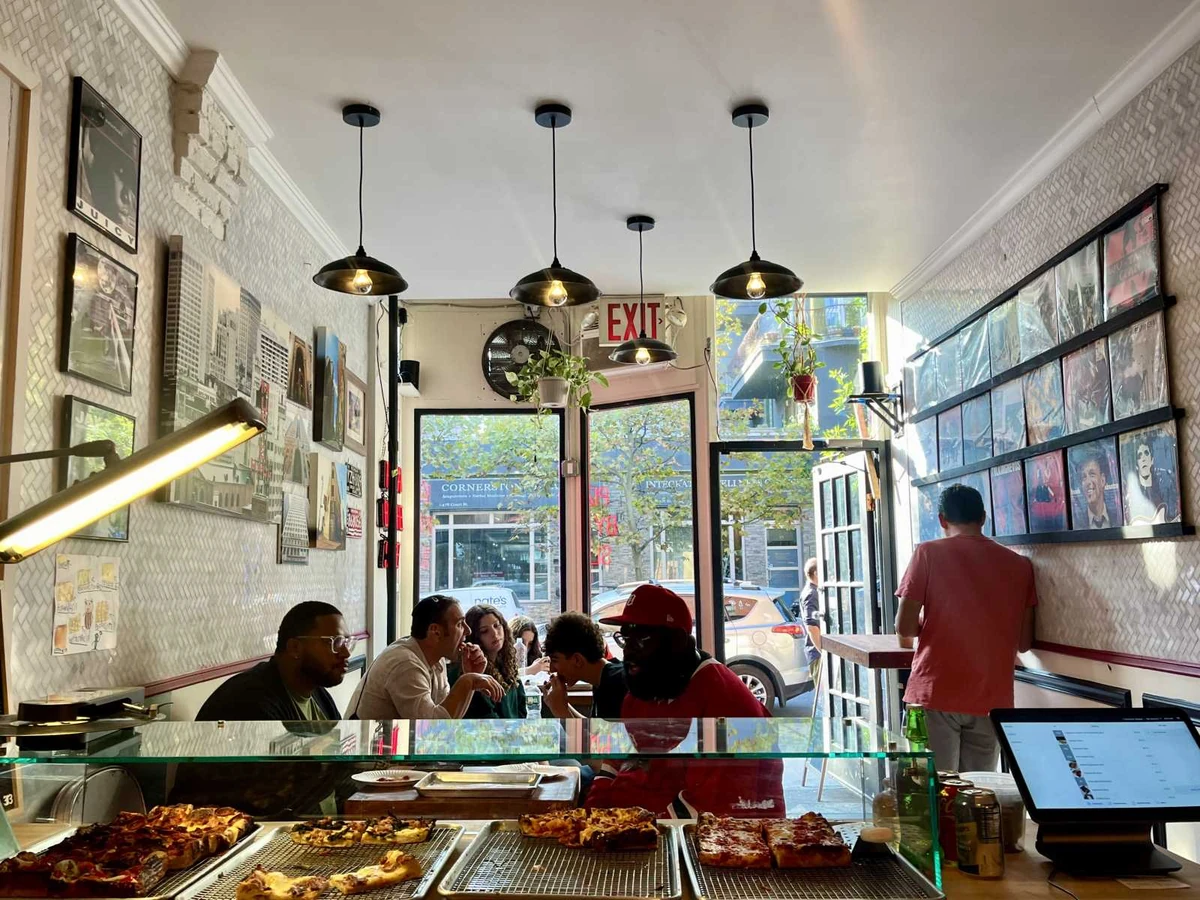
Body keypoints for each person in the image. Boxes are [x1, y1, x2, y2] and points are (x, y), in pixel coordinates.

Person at [585, 584, 784, 818]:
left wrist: (631, 830)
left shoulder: (724, 700)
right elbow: (616, 761)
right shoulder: (649, 684)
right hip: (651, 818)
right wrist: (593, 814)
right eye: (626, 638)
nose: (628, 651)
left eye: (642, 639)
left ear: (677, 642)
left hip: (729, 831)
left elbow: (710, 809)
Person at [895, 484, 1037, 772]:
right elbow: (1024, 642)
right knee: (977, 790)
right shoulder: (1020, 565)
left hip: (935, 690)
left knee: (931, 789)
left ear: (942, 519)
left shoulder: (927, 553)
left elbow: (905, 627)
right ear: (983, 517)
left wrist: (936, 622)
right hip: (991, 697)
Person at [347, 595, 503, 719]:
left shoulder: (436, 659)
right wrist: (467, 681)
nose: (468, 631)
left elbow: (447, 718)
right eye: (460, 624)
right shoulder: (405, 663)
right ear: (435, 631)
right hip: (365, 748)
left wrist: (470, 676)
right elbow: (432, 727)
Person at [197, 601, 350, 721]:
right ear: (295, 648)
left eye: (346, 642)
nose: (346, 653)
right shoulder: (250, 702)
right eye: (335, 642)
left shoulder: (316, 692)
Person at [540, 612, 627, 718]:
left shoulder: (618, 684)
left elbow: (611, 729)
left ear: (577, 660)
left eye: (555, 660)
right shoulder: (603, 677)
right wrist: (561, 704)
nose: (551, 669)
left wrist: (560, 711)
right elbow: (593, 726)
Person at [447, 605, 527, 719]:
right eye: (484, 631)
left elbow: (521, 709)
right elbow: (485, 717)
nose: (494, 634)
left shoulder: (507, 663)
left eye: (496, 626)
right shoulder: (467, 670)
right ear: (474, 637)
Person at [791, 558, 822, 685]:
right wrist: (823, 651)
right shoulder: (811, 594)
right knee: (823, 690)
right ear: (816, 573)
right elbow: (811, 627)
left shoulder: (813, 591)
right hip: (818, 654)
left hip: (816, 652)